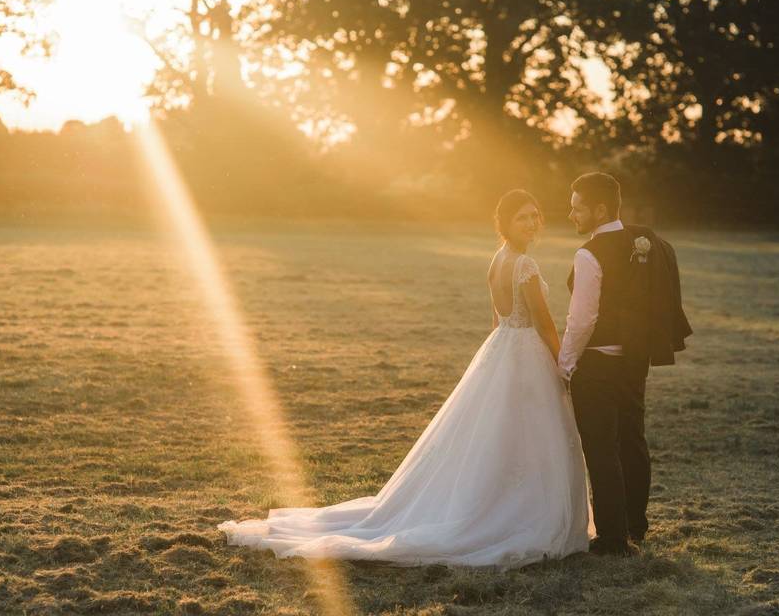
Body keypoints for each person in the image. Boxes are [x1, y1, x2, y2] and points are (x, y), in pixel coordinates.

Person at [217, 189, 593, 569]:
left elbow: (496, 318)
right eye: (522, 217)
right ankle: (516, 514)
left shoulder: (497, 260)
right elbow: (544, 322)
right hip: (525, 352)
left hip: (501, 348)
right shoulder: (525, 264)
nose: (531, 223)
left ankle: (498, 501)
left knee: (498, 435)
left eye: (534, 216)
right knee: (526, 434)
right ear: (506, 223)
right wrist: (562, 364)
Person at [559, 172, 691, 557]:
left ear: (599, 209)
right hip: (634, 362)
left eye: (577, 208)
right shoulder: (645, 240)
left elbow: (581, 320)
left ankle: (613, 538)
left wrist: (565, 364)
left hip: (597, 366)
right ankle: (636, 525)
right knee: (633, 442)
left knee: (602, 449)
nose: (571, 215)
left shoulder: (589, 253)